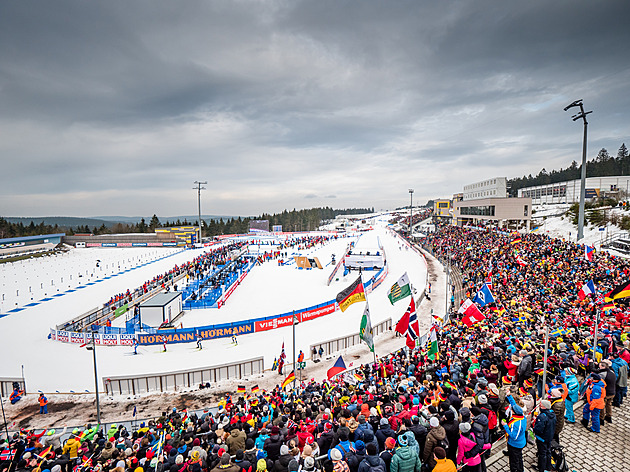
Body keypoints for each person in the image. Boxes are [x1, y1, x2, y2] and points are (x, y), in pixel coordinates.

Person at [501, 393, 526, 472]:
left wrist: (505, 426)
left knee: (514, 461)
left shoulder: (517, 423)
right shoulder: (521, 415)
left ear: (514, 412)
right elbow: (514, 404)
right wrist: (509, 396)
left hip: (515, 445)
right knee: (518, 457)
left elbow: (514, 436)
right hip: (517, 443)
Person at [532, 400, 556, 472]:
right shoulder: (552, 414)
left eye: (541, 406)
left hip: (542, 438)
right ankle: (548, 466)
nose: (539, 407)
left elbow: (538, 429)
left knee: (542, 453)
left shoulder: (542, 417)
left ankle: (541, 468)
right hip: (549, 436)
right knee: (548, 452)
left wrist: (535, 424)